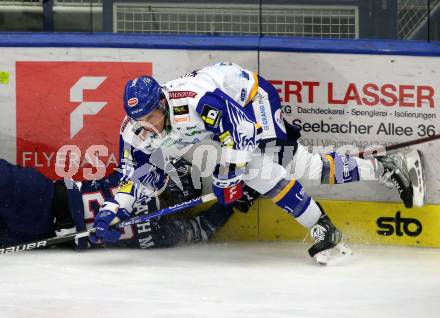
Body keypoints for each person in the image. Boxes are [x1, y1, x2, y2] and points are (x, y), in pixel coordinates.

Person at [96, 62, 425, 264]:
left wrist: (228, 177)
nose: (148, 125)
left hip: (252, 100)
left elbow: (239, 129)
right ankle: (373, 178)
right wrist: (115, 209)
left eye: (152, 115)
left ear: (164, 104)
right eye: (140, 119)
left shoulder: (191, 101)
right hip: (235, 122)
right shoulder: (135, 131)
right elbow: (135, 177)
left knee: (272, 168)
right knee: (292, 168)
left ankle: (332, 222)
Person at [0, 157, 236, 250]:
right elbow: (204, 227)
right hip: (47, 219)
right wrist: (234, 200)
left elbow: (202, 227)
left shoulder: (136, 183)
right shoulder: (164, 233)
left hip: (43, 211)